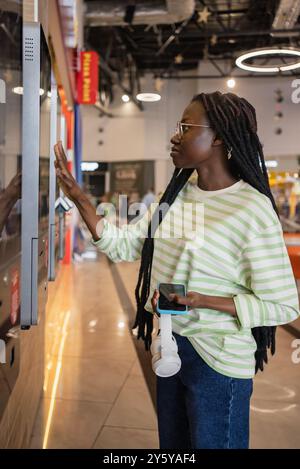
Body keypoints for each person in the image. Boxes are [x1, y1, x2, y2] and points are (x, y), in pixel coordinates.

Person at [54, 91, 300, 449]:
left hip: (218, 362)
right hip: (169, 347)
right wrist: (80, 199)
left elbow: (283, 305)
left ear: (217, 136)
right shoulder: (177, 195)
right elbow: (124, 244)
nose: (175, 135)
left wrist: (202, 300)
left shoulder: (251, 208)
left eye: (186, 127)